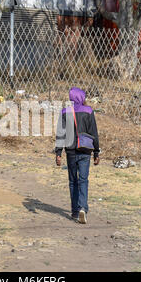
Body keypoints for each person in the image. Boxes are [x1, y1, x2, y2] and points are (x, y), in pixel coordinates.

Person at [55, 87, 100, 224]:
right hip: (85, 150)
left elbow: (60, 134)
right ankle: (82, 208)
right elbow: (94, 132)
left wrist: (58, 152)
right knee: (83, 180)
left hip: (70, 151)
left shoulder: (65, 112)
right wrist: (96, 152)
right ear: (82, 97)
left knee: (73, 181)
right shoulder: (89, 111)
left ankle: (74, 211)